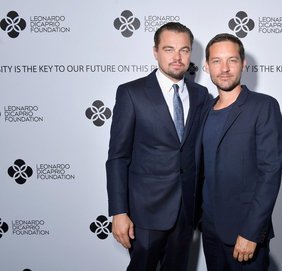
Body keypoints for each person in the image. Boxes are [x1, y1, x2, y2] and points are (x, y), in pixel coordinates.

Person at [106, 22, 209, 271]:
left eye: (184, 50)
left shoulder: (201, 95)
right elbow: (118, 157)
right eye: (169, 49)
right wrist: (119, 212)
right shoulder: (131, 93)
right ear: (155, 52)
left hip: (186, 212)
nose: (177, 57)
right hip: (145, 213)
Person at [198, 33, 282, 270]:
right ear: (207, 66)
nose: (224, 68)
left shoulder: (263, 106)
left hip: (244, 235)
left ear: (243, 64)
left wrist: (252, 232)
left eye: (232, 60)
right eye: (216, 61)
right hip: (210, 232)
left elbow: (270, 173)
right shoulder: (203, 109)